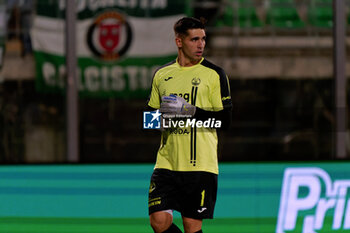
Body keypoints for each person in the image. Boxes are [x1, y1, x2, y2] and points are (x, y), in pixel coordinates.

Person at [147, 17, 232, 233]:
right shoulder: (162, 75)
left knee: (191, 227)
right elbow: (149, 120)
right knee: (158, 221)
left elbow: (225, 121)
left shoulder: (215, 75)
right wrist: (163, 119)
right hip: (166, 162)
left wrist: (189, 111)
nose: (201, 44)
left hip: (200, 164)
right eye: (194, 39)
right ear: (179, 42)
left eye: (203, 39)